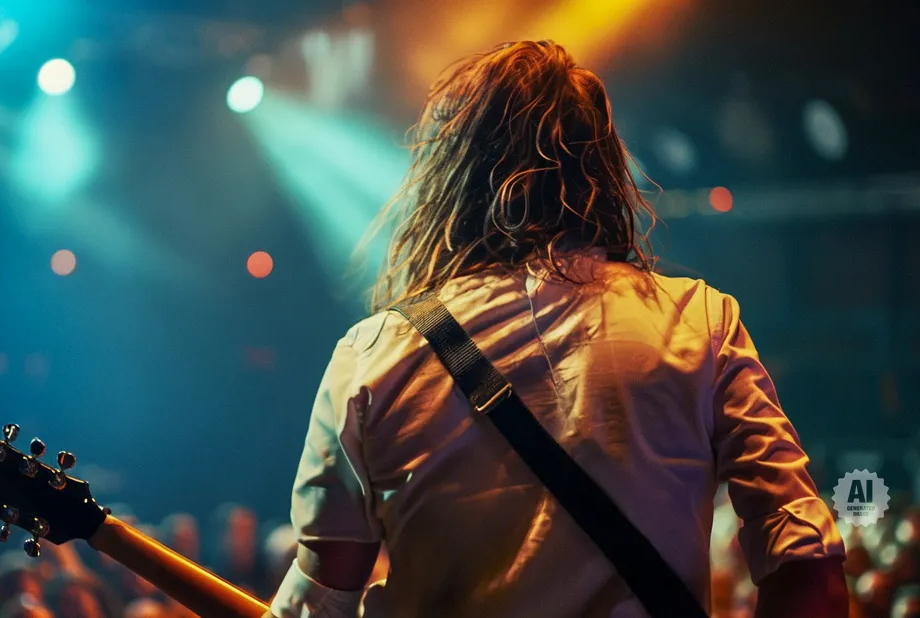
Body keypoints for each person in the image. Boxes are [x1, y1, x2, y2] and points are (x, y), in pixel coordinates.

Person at [263, 39, 847, 618]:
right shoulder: (700, 322)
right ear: (603, 167)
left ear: (450, 181)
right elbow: (806, 561)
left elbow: (322, 596)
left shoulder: (374, 355)